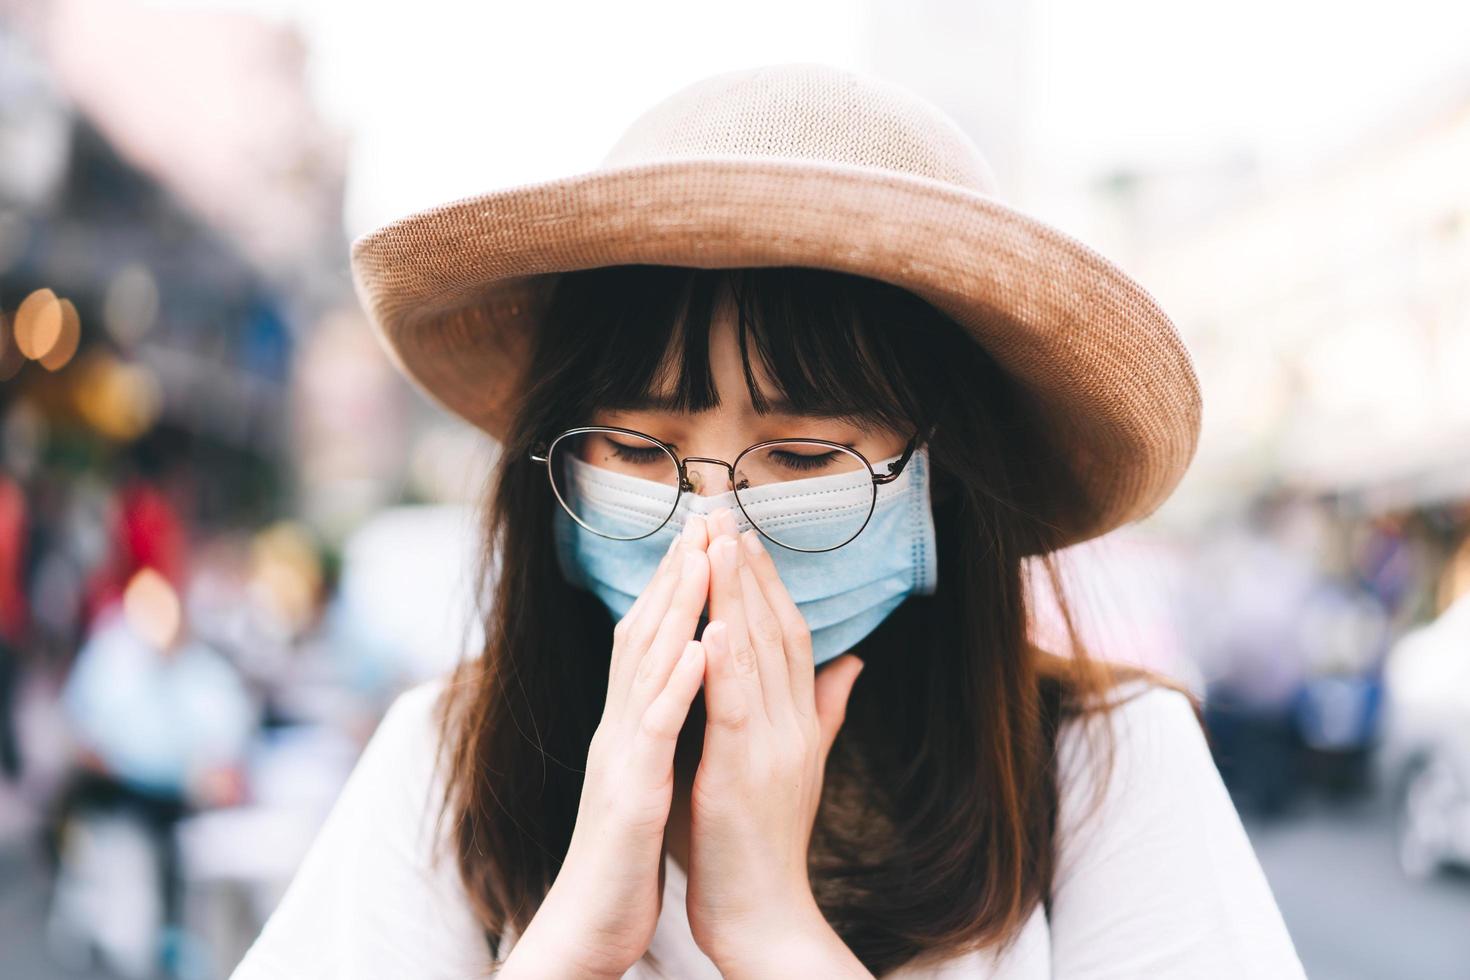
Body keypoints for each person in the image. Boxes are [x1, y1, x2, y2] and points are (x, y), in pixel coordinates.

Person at [233, 63, 1306, 978]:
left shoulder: (1103, 771)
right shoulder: (449, 761)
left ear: (943, 480)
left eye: (802, 456)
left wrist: (771, 928)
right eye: (640, 449)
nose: (710, 530)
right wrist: (569, 937)